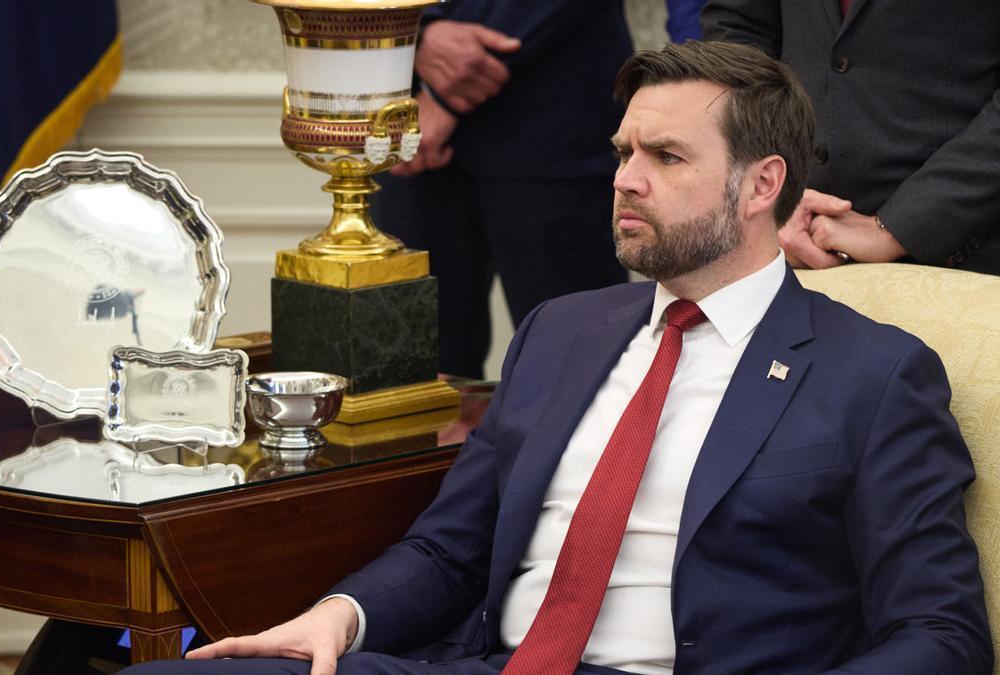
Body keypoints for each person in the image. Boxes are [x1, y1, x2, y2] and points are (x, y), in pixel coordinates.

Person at [120, 41, 991, 675]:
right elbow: (448, 553)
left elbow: (941, 631)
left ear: (762, 185)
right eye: (622, 154)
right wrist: (338, 619)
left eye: (666, 156)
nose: (624, 180)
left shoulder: (874, 374)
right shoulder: (561, 332)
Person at [373, 1, 705, 380]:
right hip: (402, 114)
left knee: (571, 376)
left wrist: (448, 84)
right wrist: (416, 30)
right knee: (411, 379)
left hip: (551, 121)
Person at [701, 2, 1000, 274]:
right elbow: (738, 26)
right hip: (787, 242)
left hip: (963, 255)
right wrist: (770, 192)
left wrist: (899, 226)